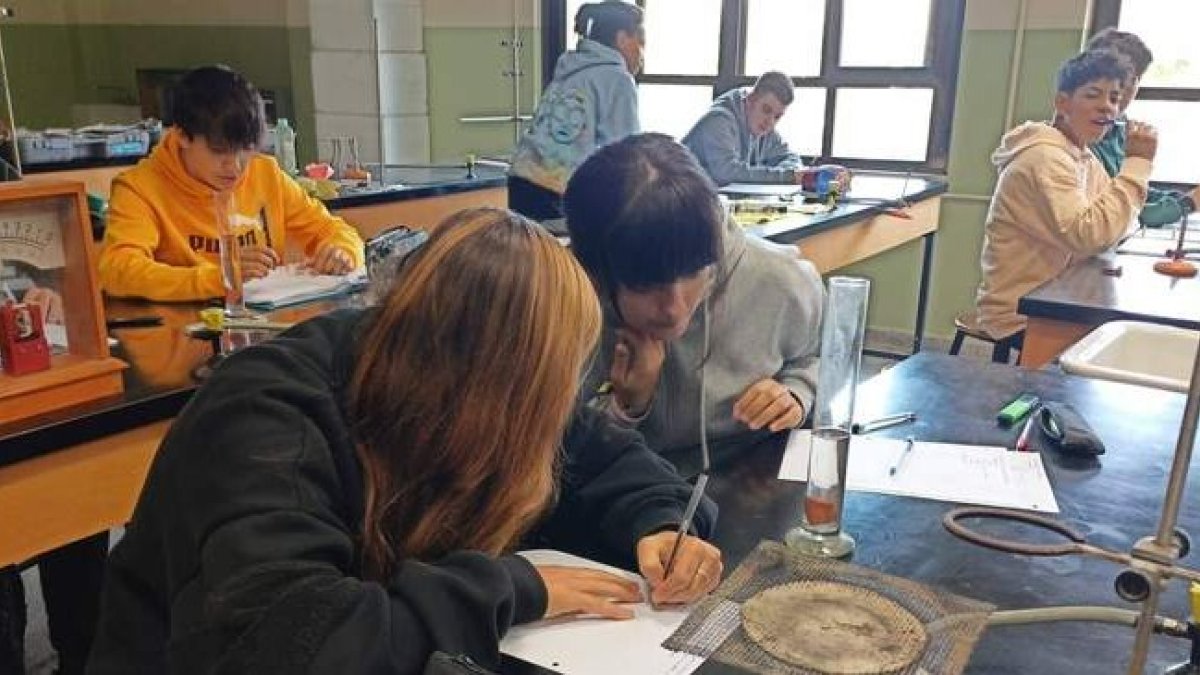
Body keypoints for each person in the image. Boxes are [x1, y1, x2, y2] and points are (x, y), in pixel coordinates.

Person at [87, 208, 722, 674]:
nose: (542, 422)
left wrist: (662, 522)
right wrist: (511, 589)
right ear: (480, 380)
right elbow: (290, 645)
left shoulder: (460, 382)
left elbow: (601, 454)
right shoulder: (268, 416)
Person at [565, 133, 824, 470]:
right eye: (647, 285)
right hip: (625, 487)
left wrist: (795, 392)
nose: (673, 308)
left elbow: (821, 356)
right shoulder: (567, 306)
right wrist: (626, 406)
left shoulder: (784, 281)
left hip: (748, 476)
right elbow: (550, 447)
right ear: (599, 275)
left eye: (693, 271)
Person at [98, 65, 364, 302]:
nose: (235, 166)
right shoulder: (139, 188)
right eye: (219, 151)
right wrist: (221, 278)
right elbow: (120, 270)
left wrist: (342, 252)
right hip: (186, 335)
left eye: (245, 149)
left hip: (262, 325)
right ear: (181, 136)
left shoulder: (266, 173)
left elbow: (332, 229)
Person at [975, 50, 1157, 342]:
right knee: (1132, 347)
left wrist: (1112, 222)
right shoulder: (1045, 157)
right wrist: (1136, 164)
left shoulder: (1082, 156)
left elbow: (1118, 226)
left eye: (1113, 98)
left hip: (1061, 298)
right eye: (1093, 95)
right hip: (1020, 313)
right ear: (1062, 103)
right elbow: (1092, 234)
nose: (1106, 107)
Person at [508, 1, 644, 221]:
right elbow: (627, 154)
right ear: (622, 39)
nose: (641, 53)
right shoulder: (617, 78)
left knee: (538, 252)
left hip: (522, 181)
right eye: (640, 42)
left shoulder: (570, 70)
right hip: (557, 192)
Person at [1085, 28, 1199, 227]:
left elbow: (1135, 191)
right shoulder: (1084, 136)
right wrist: (1188, 203)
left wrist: (1183, 198)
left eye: (1131, 80)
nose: (1119, 92)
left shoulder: (1118, 127)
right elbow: (1128, 214)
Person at [682, 71, 848, 190]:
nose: (770, 122)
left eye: (777, 116)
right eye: (766, 110)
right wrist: (792, 176)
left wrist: (794, 173)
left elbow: (790, 158)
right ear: (750, 100)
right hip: (676, 212)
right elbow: (726, 173)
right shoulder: (718, 121)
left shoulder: (763, 129)